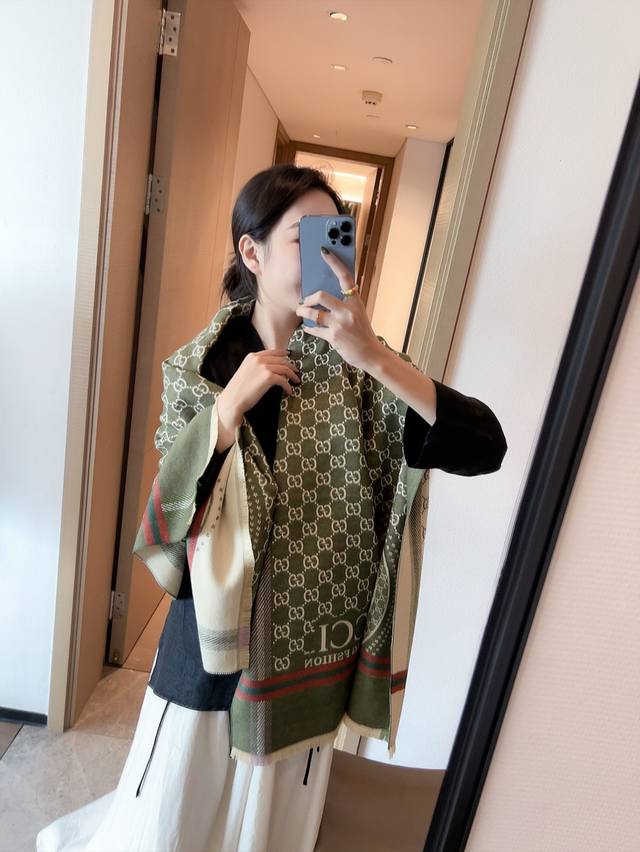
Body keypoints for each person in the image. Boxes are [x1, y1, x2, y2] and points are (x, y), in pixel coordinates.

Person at [37, 164, 507, 852]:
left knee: (271, 823)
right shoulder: (201, 367)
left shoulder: (360, 369)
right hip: (212, 642)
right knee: (173, 813)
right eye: (303, 236)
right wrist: (227, 410)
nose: (325, 253)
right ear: (251, 253)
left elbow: (485, 446)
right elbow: (173, 516)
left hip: (311, 652)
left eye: (335, 234)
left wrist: (374, 357)